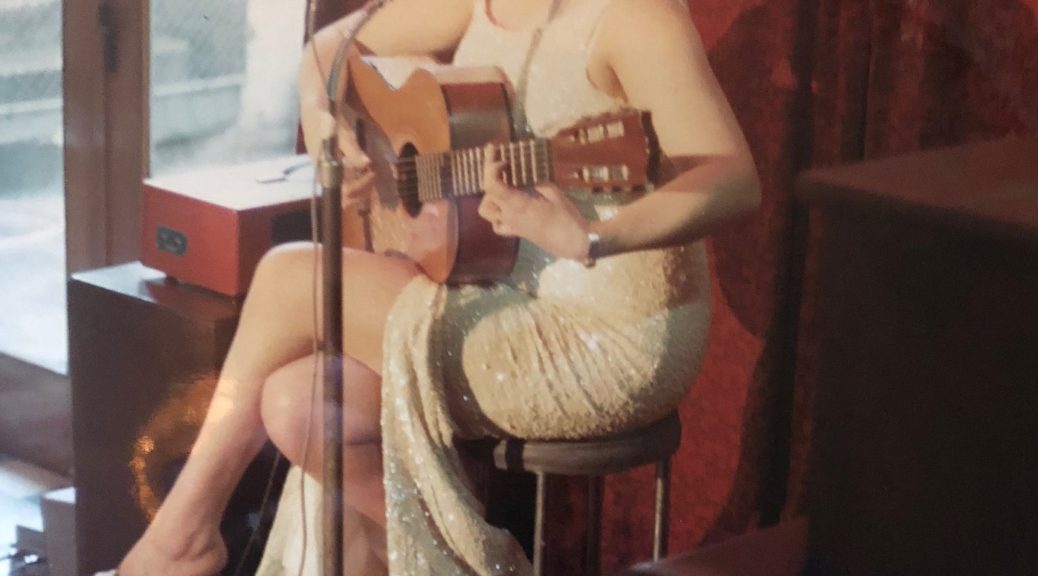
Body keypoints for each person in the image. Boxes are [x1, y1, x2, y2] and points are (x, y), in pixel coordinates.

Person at [115, 0, 760, 573]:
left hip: (610, 332)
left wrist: (593, 237)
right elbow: (327, 50)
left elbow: (734, 178)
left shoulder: (633, 16)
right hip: (499, 291)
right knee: (297, 404)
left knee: (290, 275)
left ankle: (181, 540)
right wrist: (325, 129)